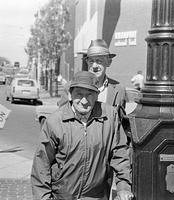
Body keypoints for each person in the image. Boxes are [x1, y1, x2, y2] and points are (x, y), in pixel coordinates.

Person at [31, 71, 133, 200]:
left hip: (97, 196)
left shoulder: (110, 116)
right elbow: (41, 164)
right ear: (70, 95)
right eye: (79, 94)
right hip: (62, 196)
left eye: (89, 94)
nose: (84, 101)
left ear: (97, 95)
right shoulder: (55, 122)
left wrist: (123, 187)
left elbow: (120, 154)